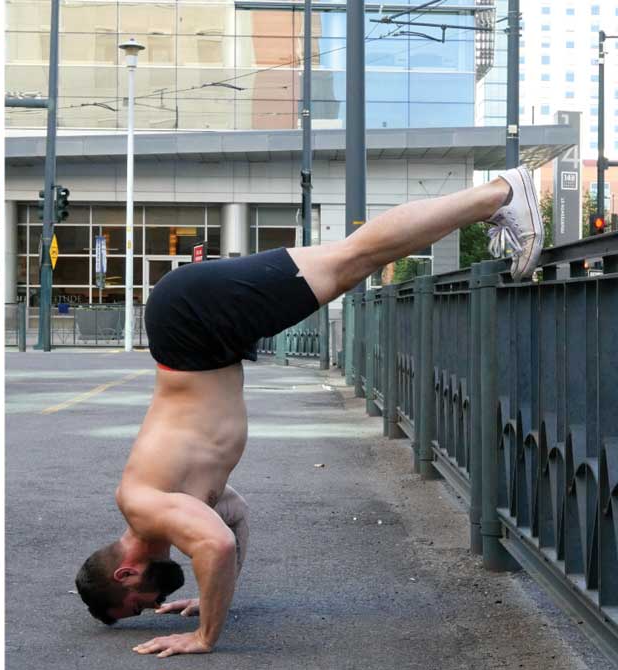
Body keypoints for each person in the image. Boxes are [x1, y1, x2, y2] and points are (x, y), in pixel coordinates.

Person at [73, 166, 544, 658]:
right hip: (201, 331)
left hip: (195, 321)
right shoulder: (169, 506)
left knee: (352, 257)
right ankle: (494, 201)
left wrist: (205, 636)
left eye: (138, 604)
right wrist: (214, 594)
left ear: (125, 573)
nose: (155, 605)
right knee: (354, 262)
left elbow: (217, 547)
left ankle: (502, 192)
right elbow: (234, 522)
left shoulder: (144, 507)